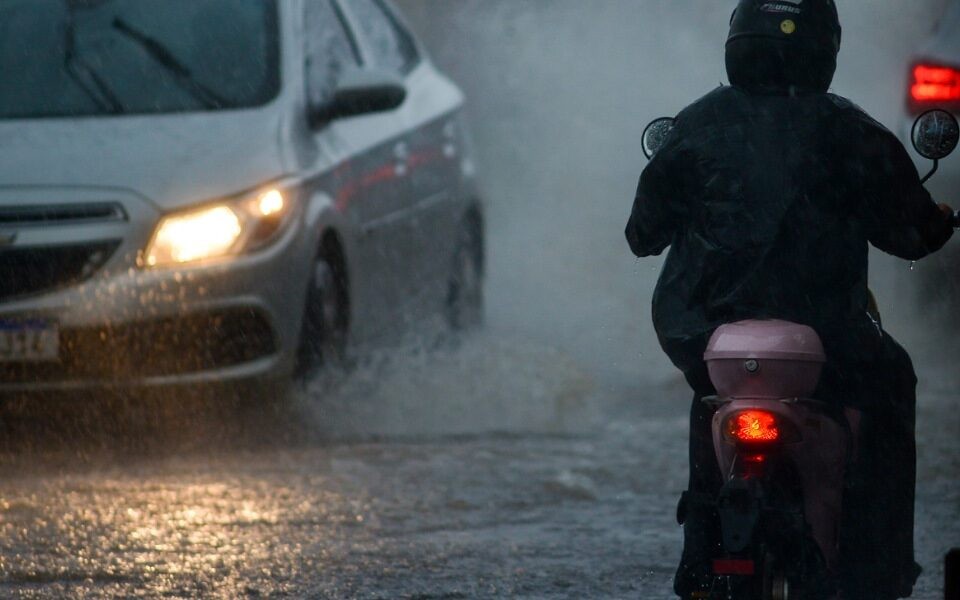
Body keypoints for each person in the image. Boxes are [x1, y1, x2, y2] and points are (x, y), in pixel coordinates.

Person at [624, 0, 955, 598]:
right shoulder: (851, 130)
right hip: (828, 336)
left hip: (703, 332)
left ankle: (699, 558)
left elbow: (641, 235)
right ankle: (879, 570)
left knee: (709, 402)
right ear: (825, 49)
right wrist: (937, 221)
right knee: (894, 377)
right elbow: (911, 231)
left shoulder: (695, 125)